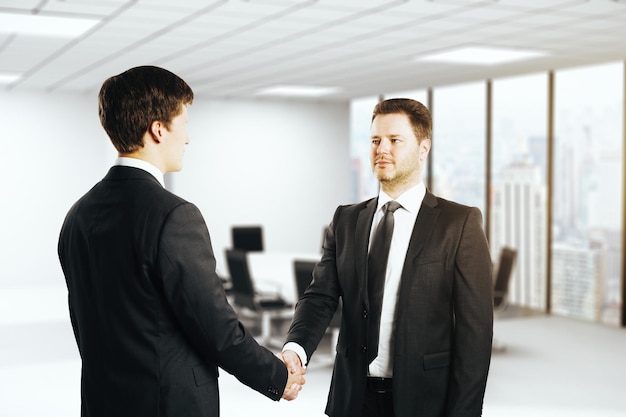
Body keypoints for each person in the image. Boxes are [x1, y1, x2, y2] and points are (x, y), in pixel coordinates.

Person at [58, 66, 304, 417]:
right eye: (184, 124)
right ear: (159, 129)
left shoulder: (78, 215)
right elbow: (214, 326)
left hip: (101, 402)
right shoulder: (174, 215)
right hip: (167, 405)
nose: (187, 139)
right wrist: (278, 377)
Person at [281, 98, 493, 417]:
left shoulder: (458, 224)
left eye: (395, 140)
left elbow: (474, 333)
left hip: (425, 401)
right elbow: (320, 297)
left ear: (423, 148)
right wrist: (297, 348)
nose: (382, 149)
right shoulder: (346, 220)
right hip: (353, 398)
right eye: (375, 140)